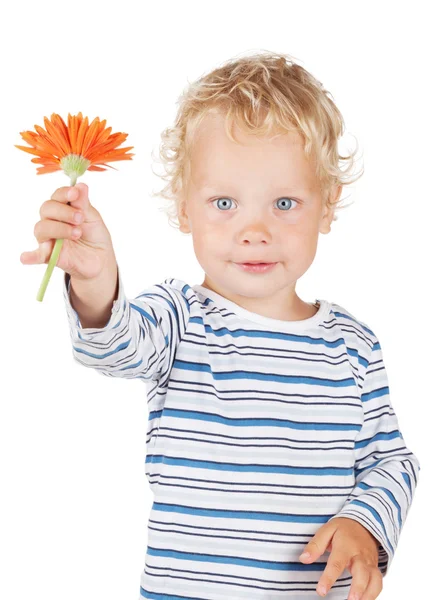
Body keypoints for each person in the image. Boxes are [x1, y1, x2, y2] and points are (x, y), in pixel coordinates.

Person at [21, 51, 420, 600]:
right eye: (224, 203)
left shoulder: (353, 344)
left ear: (327, 206)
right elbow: (115, 345)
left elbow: (389, 460)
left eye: (284, 202)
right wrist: (95, 282)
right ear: (184, 209)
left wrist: (365, 524)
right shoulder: (179, 318)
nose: (254, 230)